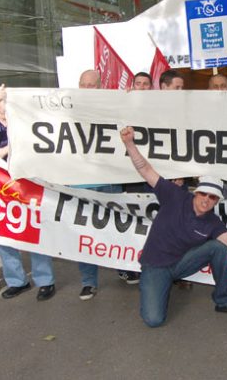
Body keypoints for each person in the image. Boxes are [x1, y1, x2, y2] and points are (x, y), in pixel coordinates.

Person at [119, 126, 227, 327]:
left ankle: (225, 299)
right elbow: (145, 169)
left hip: (181, 263)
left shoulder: (213, 222)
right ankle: (154, 284)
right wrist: (129, 144)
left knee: (218, 247)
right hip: (156, 265)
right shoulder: (174, 195)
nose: (206, 200)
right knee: (153, 320)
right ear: (196, 192)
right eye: (203, 194)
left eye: (212, 197)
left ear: (217, 201)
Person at [0, 85, 56, 301]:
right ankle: (16, 280)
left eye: (8, 112)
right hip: (0, 187)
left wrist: (6, 150)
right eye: (0, 112)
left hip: (28, 183)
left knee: (35, 229)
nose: (5, 116)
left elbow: (34, 141)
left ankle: (45, 280)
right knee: (4, 232)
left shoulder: (23, 119)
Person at [76, 69, 139, 299]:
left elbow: (132, 117)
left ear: (101, 86)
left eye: (92, 85)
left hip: (110, 180)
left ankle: (123, 267)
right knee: (83, 231)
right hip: (81, 183)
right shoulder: (69, 108)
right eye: (84, 84)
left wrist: (130, 98)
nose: (87, 88)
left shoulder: (113, 106)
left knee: (116, 226)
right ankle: (88, 281)